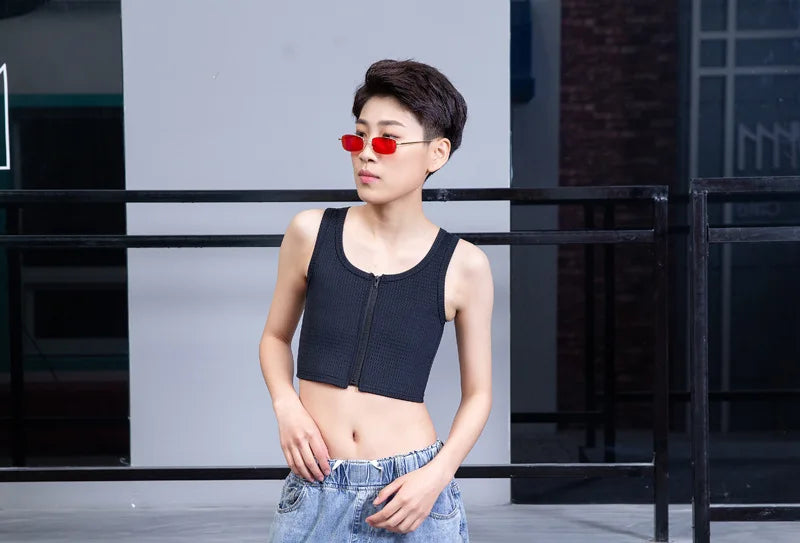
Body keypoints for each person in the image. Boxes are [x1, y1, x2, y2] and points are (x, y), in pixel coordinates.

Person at [259, 58, 493, 542]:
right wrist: (286, 406)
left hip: (411, 491)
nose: (366, 154)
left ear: (437, 153)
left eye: (387, 140)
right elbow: (275, 338)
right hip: (317, 488)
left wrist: (437, 476)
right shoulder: (310, 233)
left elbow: (479, 394)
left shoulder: (464, 264)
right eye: (358, 138)